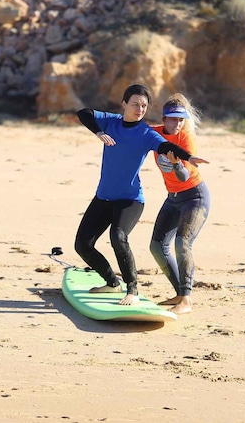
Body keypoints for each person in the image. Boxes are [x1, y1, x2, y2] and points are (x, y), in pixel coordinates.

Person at [74, 84, 207, 305]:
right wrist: (98, 132)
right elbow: (84, 114)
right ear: (124, 104)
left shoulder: (145, 133)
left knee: (118, 236)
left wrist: (188, 157)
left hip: (130, 199)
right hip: (104, 196)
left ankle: (132, 290)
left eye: (144, 105)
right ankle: (111, 283)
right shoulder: (111, 122)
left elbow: (165, 147)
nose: (139, 108)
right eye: (135, 104)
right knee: (82, 245)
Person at [149, 93, 210, 314]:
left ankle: (186, 300)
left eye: (181, 120)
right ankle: (178, 293)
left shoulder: (186, 139)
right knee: (156, 246)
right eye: (173, 119)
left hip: (194, 197)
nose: (177, 124)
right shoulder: (155, 134)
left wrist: (176, 164)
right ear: (164, 119)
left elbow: (184, 176)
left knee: (182, 243)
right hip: (173, 198)